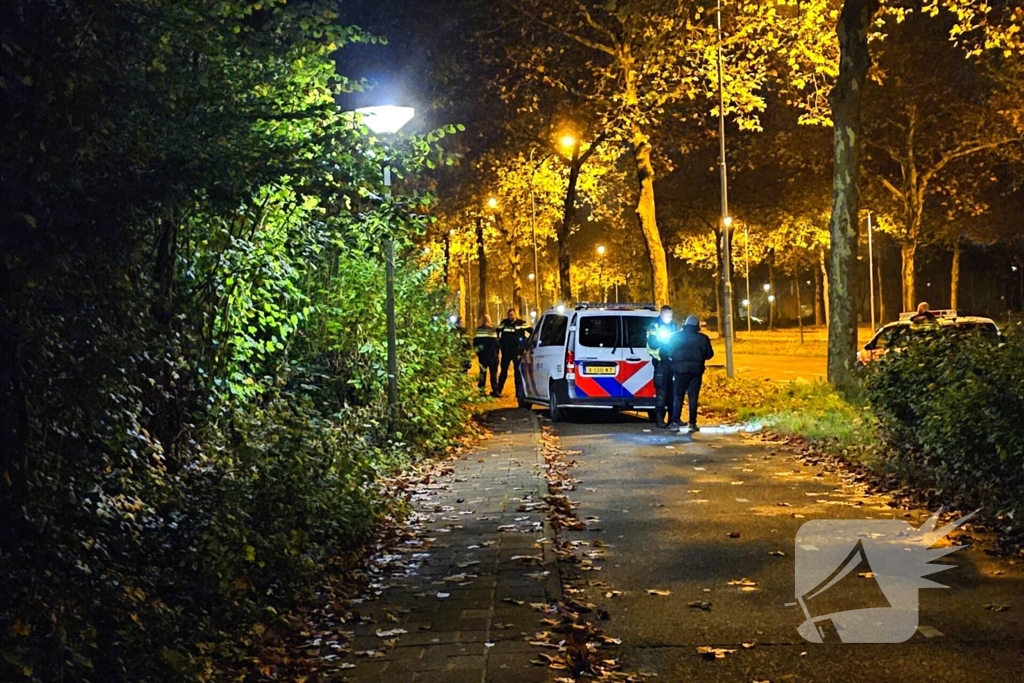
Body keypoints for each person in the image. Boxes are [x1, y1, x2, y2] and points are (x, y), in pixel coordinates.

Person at [665, 314, 715, 432]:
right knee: (693, 397)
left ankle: (675, 420)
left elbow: (668, 352)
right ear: (697, 325)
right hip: (696, 372)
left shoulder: (676, 337)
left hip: (679, 371)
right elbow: (709, 354)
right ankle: (692, 423)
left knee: (678, 396)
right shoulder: (703, 338)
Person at [646, 305, 678, 428]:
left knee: (672, 392)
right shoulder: (654, 325)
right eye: (667, 315)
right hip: (661, 362)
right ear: (661, 314)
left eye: (671, 315)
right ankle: (659, 420)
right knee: (661, 392)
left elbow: (677, 340)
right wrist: (666, 348)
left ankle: (672, 419)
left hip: (672, 362)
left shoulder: (674, 325)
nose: (669, 318)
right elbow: (653, 344)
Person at [495, 308, 531, 396]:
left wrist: (526, 342)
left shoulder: (521, 323)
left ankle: (518, 393)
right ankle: (499, 390)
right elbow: (497, 330)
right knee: (503, 371)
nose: (510, 316)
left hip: (517, 351)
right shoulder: (504, 323)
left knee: (517, 372)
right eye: (509, 315)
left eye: (512, 315)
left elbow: (532, 331)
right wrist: (499, 342)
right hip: (506, 351)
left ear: (515, 315)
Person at [473, 314, 500, 396]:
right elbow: (496, 344)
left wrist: (478, 353)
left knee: (482, 373)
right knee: (493, 374)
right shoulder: (492, 330)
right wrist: (497, 354)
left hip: (483, 356)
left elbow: (475, 343)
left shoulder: (478, 330)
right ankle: (495, 391)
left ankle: (481, 391)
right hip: (492, 356)